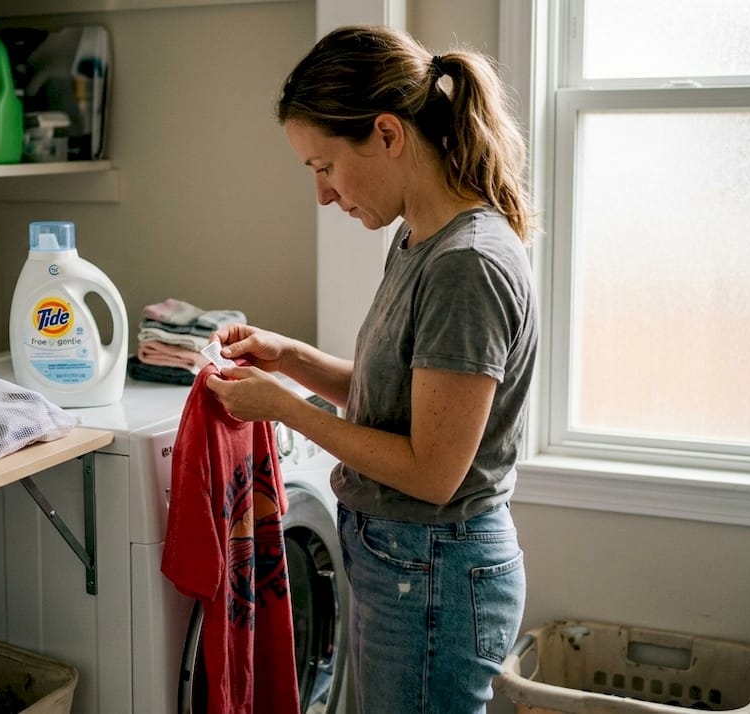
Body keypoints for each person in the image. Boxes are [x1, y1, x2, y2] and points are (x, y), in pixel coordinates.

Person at [205, 25, 539, 714]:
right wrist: (290, 359)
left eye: (324, 166)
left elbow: (431, 469)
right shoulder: (419, 237)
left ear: (387, 134)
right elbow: (399, 398)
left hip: (435, 572)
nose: (324, 195)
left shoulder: (465, 265)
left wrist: (287, 409)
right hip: (412, 565)